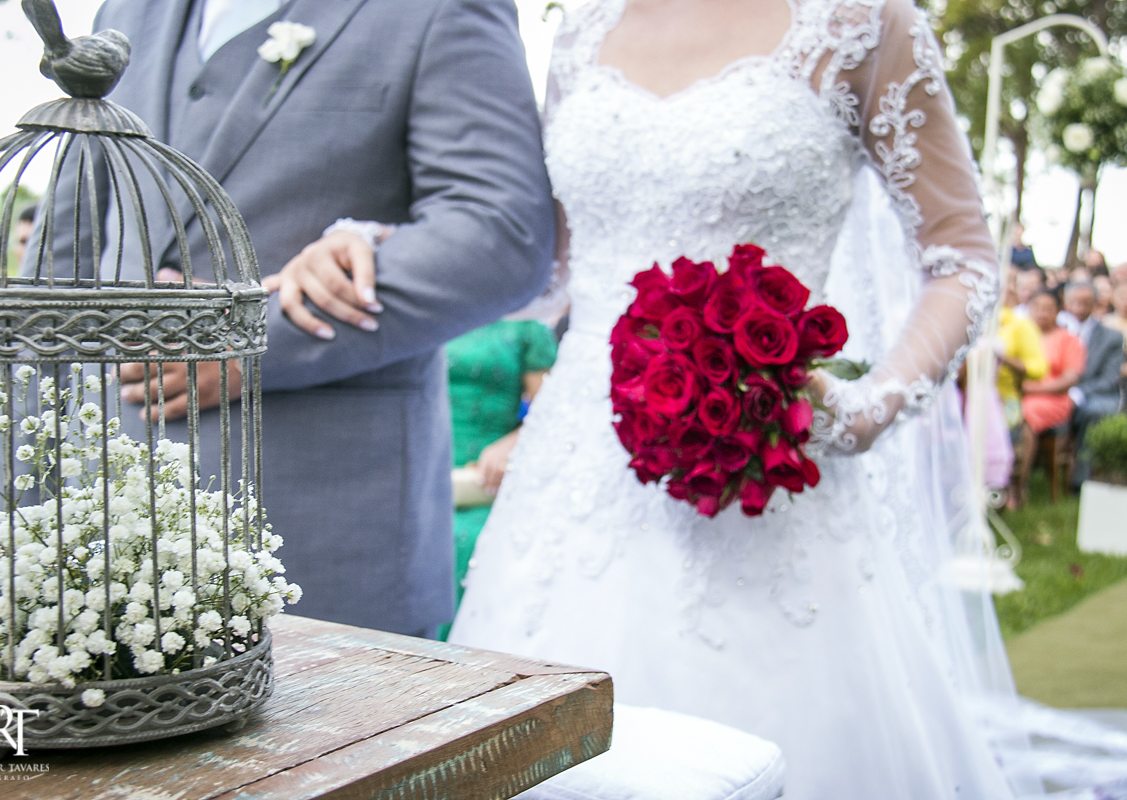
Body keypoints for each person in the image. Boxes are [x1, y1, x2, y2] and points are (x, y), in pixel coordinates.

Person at [440, 0, 1027, 794]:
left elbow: (963, 258)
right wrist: (388, 242)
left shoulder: (863, 23)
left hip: (774, 469)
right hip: (571, 482)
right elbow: (552, 270)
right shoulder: (582, 30)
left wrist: (869, 407)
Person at [15, 0, 555, 637]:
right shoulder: (130, 11)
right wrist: (17, 502)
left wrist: (248, 341)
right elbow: (60, 262)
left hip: (324, 532)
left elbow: (500, 234)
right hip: (94, 528)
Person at [443, 319, 556, 634]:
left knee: (462, 540)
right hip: (422, 465)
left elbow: (550, 413)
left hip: (485, 477)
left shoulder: (528, 325)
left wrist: (511, 445)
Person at [1018, 290, 1085, 505]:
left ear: (1058, 311)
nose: (1042, 313)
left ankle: (1019, 486)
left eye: (1048, 309)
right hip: (1020, 394)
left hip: (1053, 399)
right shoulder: (1020, 334)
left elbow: (1070, 378)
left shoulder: (1069, 339)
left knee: (1025, 414)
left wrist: (1032, 390)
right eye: (1037, 307)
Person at [1065, 280, 1126, 487]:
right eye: (1075, 301)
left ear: (1095, 303)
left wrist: (1078, 392)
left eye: (1085, 302)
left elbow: (1109, 379)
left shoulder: (1112, 337)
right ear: (1066, 301)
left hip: (1096, 393)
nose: (1080, 307)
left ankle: (1080, 481)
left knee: (1095, 411)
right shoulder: (1056, 329)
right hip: (1057, 390)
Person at [995, 293, 1048, 509]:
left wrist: (1003, 358)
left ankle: (1012, 487)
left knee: (1011, 429)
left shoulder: (1019, 325)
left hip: (1006, 398)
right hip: (967, 395)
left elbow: (1038, 368)